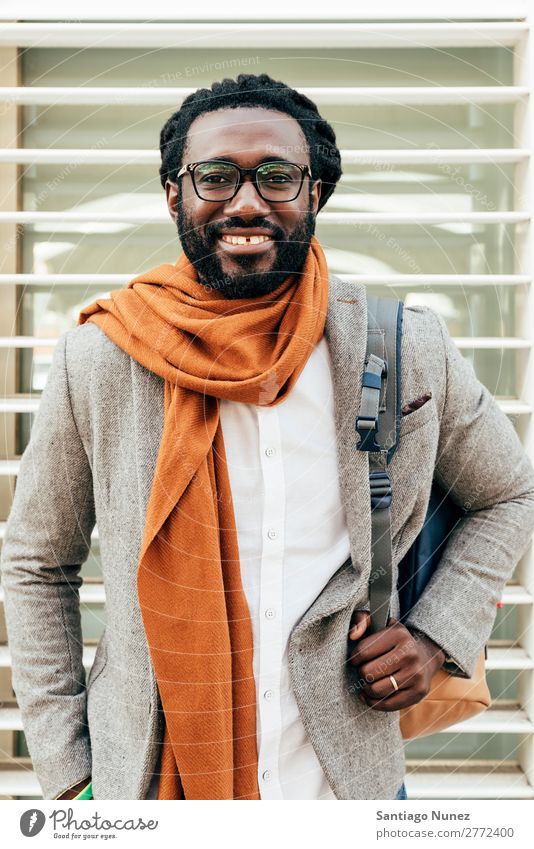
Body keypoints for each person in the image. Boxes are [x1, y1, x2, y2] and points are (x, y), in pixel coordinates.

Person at [2, 73, 534, 801]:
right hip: (151, 786)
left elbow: (510, 490)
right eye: (215, 177)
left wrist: (439, 634)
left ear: (315, 194)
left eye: (278, 177)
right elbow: (37, 562)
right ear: (173, 194)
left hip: (345, 784)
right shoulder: (101, 358)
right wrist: (68, 773)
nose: (246, 202)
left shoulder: (405, 344)